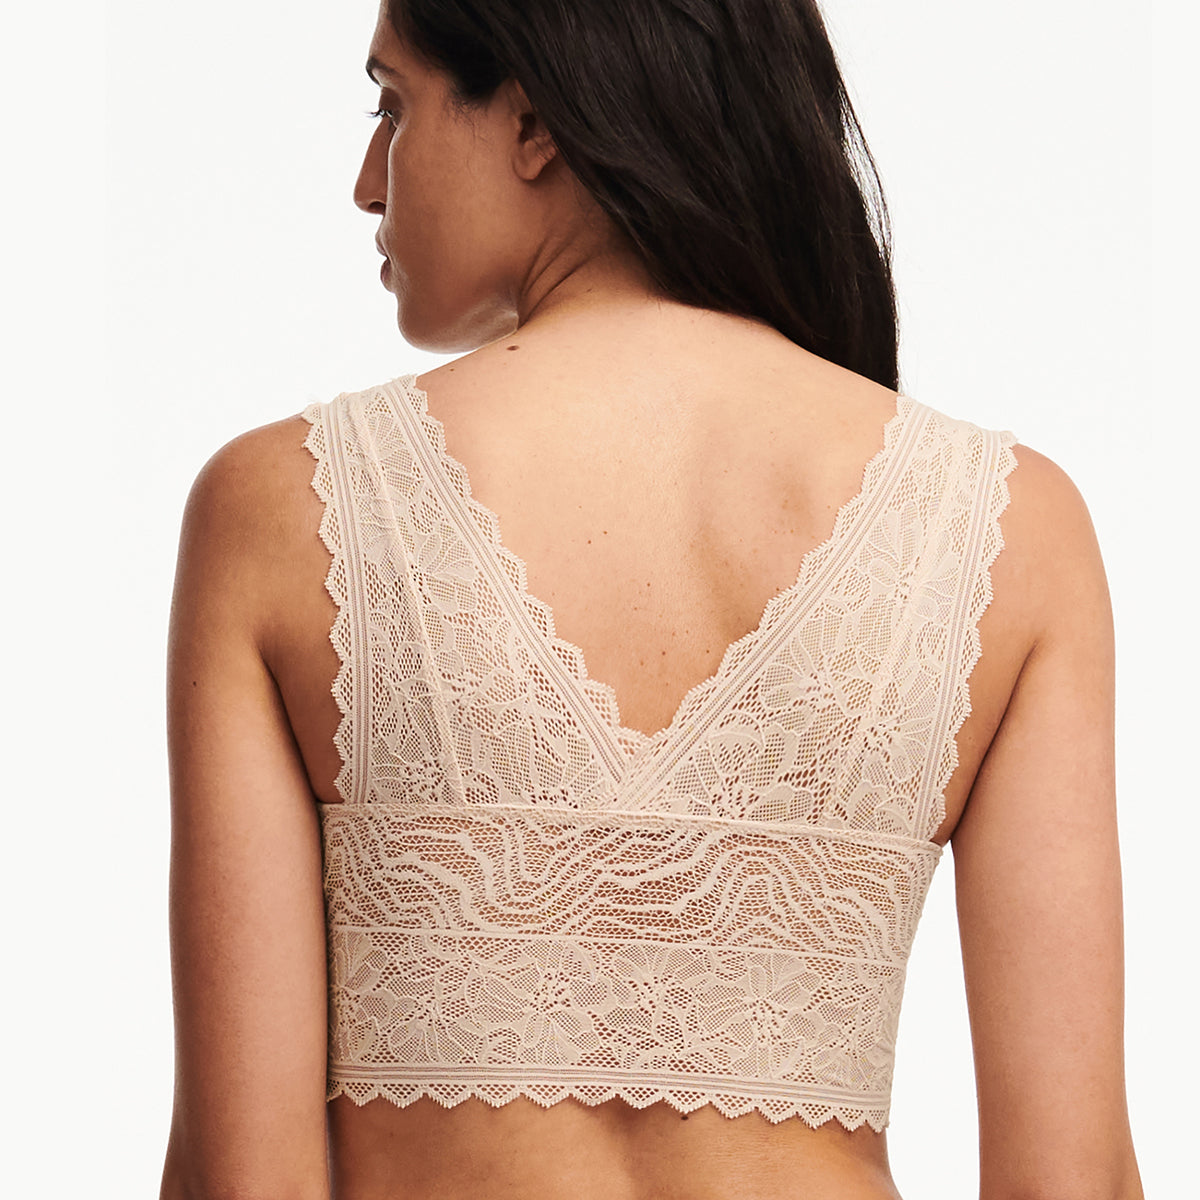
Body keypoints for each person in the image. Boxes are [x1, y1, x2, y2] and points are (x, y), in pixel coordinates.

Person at [159, 2, 1143, 1197]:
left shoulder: (284, 511)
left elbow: (239, 1183)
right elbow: (1072, 1181)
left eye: (393, 104)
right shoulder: (1006, 528)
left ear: (533, 122)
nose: (369, 180)